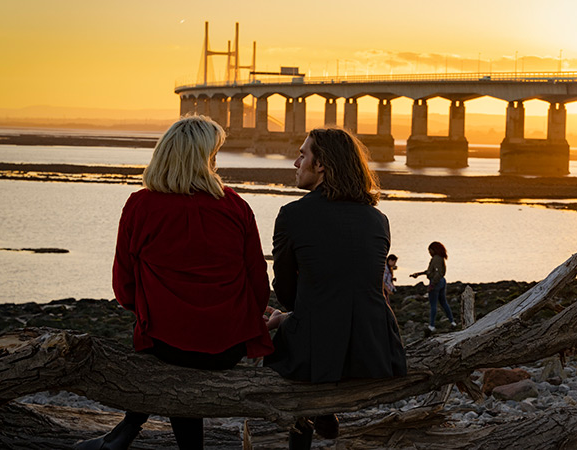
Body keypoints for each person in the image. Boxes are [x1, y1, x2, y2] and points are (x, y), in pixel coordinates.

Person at [75, 115, 274, 450]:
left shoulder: (140, 205)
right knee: (183, 343)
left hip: (165, 345)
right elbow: (258, 283)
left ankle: (125, 432)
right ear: (205, 159)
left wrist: (155, 308)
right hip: (227, 348)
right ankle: (129, 435)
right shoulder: (236, 206)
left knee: (166, 342)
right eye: (214, 155)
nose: (216, 162)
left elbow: (123, 288)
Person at [263, 127, 407, 449]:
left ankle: (317, 413)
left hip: (319, 349)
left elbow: (285, 290)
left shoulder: (292, 215)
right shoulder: (377, 219)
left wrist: (288, 317)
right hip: (375, 345)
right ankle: (323, 412)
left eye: (303, 154)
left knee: (295, 338)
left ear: (321, 165)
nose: (295, 162)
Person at [410, 241, 456, 333]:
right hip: (442, 281)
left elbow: (436, 273)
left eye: (429, 251)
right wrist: (419, 274)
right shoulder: (441, 258)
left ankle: (432, 325)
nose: (429, 253)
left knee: (433, 305)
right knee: (444, 303)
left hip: (436, 282)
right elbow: (432, 271)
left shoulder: (435, 258)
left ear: (433, 250)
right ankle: (452, 322)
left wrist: (432, 285)